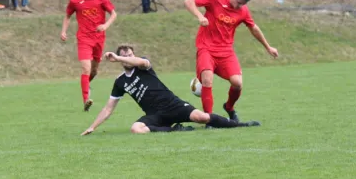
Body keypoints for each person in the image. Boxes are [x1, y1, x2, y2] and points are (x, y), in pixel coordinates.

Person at [81, 45, 260, 135]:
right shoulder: (120, 82)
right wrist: (92, 127)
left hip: (172, 104)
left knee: (203, 117)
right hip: (155, 114)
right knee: (136, 129)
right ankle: (176, 130)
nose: (128, 58)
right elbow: (108, 108)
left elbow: (141, 62)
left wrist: (119, 57)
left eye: (130, 55)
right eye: (124, 56)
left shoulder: (143, 65)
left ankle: (239, 125)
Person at [184, 0, 279, 122]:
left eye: (243, 4)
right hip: (207, 48)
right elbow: (189, 1)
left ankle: (229, 107)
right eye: (238, 3)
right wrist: (199, 16)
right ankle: (209, 119)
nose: (238, 7)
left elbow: (254, 28)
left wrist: (268, 47)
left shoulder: (243, 11)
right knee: (207, 79)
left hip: (226, 51)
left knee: (237, 83)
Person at [61, 0, 117, 112]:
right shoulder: (75, 1)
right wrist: (63, 31)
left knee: (94, 71)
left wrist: (105, 25)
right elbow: (68, 16)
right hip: (84, 38)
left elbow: (114, 14)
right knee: (85, 68)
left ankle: (86, 85)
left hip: (99, 38)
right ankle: (86, 99)